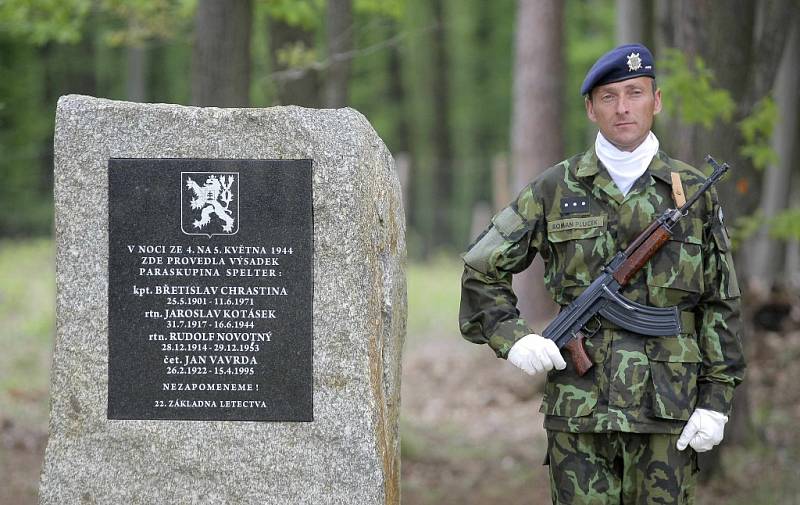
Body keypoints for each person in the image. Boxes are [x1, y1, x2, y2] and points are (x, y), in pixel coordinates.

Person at [459, 43, 745, 505]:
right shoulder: (553, 188)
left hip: (668, 415)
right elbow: (480, 268)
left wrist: (716, 401)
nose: (623, 107)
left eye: (635, 93)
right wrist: (514, 338)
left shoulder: (692, 193)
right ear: (591, 109)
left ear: (657, 101)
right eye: (609, 97)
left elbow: (720, 303)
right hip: (579, 418)